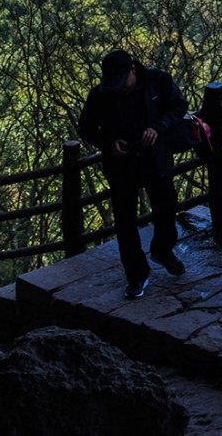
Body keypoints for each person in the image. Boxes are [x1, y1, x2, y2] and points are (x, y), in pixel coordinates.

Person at [77, 49, 190, 300]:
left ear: (133, 70)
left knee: (166, 207)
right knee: (125, 221)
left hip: (155, 159)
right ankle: (136, 275)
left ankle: (163, 250)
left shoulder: (158, 81)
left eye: (122, 82)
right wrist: (109, 143)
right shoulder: (100, 95)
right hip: (121, 164)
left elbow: (180, 105)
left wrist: (158, 127)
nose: (118, 88)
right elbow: (85, 128)